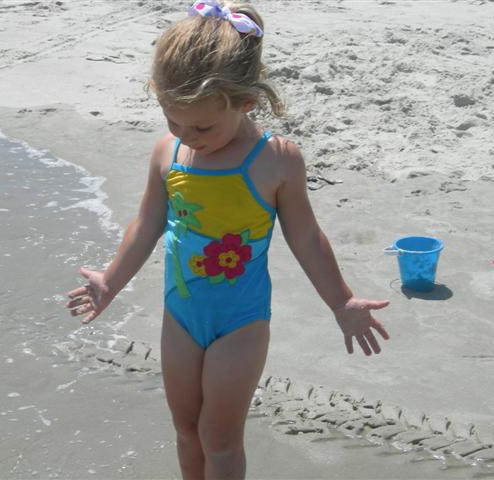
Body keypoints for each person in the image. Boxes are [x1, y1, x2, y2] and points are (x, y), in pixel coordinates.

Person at [67, 1, 390, 478]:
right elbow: (147, 223)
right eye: (173, 120)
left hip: (241, 323)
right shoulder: (168, 152)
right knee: (185, 428)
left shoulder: (275, 160)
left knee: (219, 440)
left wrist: (341, 302)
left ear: (245, 102)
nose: (187, 135)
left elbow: (306, 237)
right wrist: (111, 280)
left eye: (202, 126)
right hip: (181, 316)